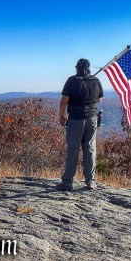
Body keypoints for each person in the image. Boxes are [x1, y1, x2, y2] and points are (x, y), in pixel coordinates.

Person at [56, 58, 103, 191]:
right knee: (90, 149)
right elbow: (99, 98)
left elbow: (64, 100)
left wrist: (60, 116)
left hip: (76, 119)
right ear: (88, 68)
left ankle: (67, 182)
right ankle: (90, 181)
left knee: (73, 149)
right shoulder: (95, 80)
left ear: (77, 68)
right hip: (92, 119)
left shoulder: (72, 80)